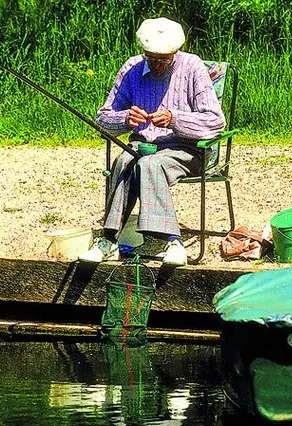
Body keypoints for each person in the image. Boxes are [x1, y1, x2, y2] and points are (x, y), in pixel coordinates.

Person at [78, 17, 226, 266]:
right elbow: (103, 119)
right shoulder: (132, 68)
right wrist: (125, 119)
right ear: (143, 52)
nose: (157, 64)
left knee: (149, 165)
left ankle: (173, 241)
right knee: (125, 160)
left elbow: (215, 121)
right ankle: (109, 240)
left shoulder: (193, 67)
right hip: (142, 145)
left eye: (164, 59)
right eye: (151, 57)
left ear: (175, 52)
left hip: (186, 149)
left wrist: (174, 120)